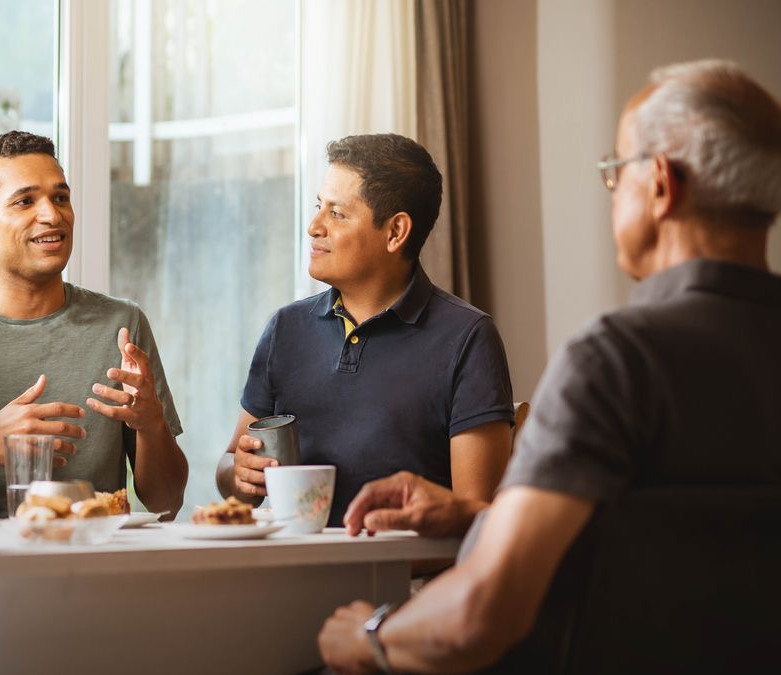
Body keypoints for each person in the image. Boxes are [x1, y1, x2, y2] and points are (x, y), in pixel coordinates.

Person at [318, 59, 781, 673]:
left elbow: (483, 612)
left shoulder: (617, 360)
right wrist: (481, 515)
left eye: (616, 173)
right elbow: (669, 552)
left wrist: (370, 636)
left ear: (662, 186)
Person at [215, 134, 514, 526]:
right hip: (292, 577)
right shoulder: (285, 330)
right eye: (319, 207)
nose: (313, 227)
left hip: (404, 582)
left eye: (337, 214)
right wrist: (239, 474)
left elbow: (477, 522)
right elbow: (230, 467)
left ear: (395, 232)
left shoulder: (468, 338)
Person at [0, 130, 187, 516]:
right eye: (25, 201)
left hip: (94, 565)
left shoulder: (122, 325)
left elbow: (166, 501)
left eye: (60, 198)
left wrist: (151, 424)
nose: (52, 214)